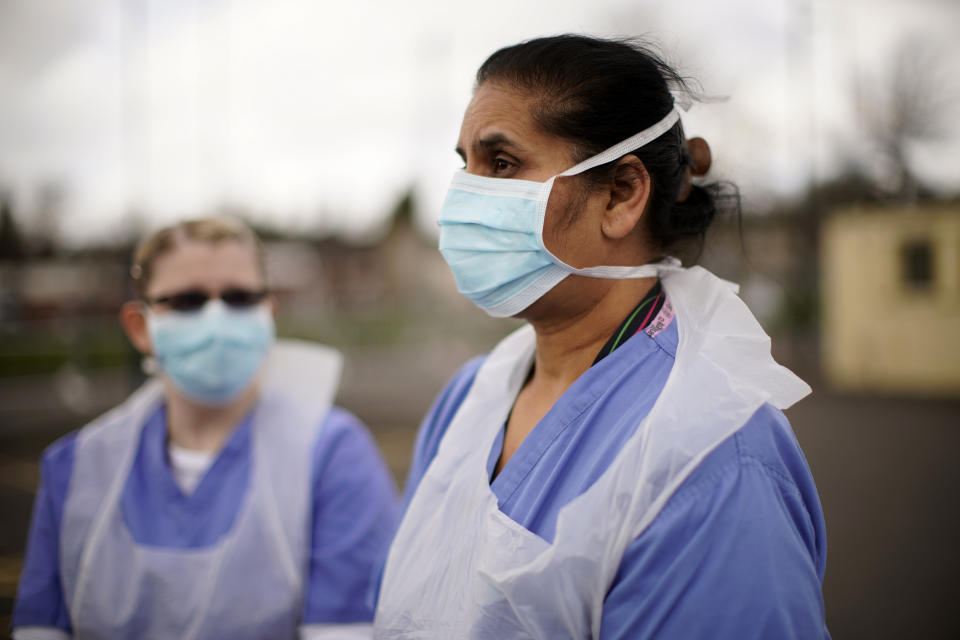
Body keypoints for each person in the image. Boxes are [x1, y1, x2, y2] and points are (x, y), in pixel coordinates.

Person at [374, 35, 829, 639]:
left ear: (620, 195)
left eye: (502, 164)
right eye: (466, 165)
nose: (463, 197)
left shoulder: (711, 457)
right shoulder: (469, 398)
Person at [13, 217, 399, 640]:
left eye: (239, 297)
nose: (216, 318)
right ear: (139, 326)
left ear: (268, 312)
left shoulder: (332, 454)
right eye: (187, 301)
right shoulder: (77, 466)